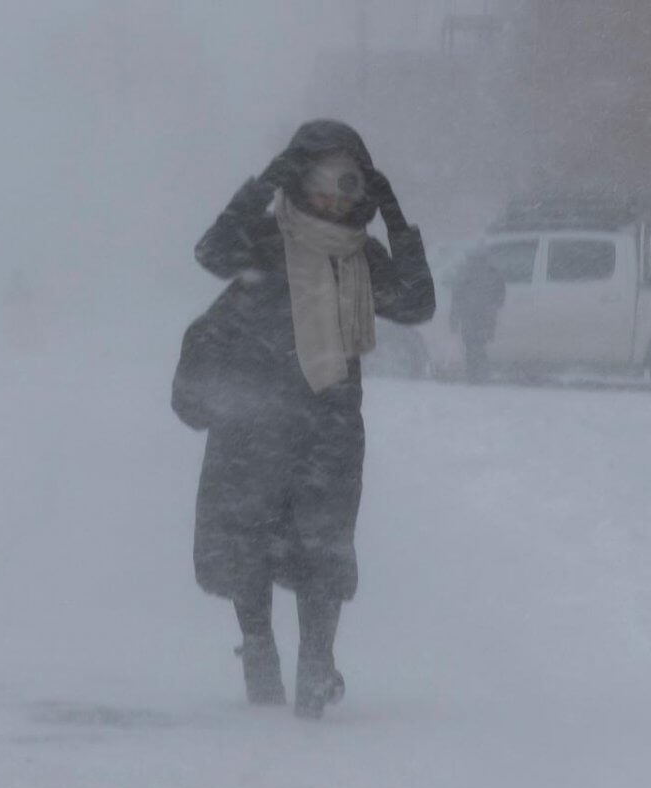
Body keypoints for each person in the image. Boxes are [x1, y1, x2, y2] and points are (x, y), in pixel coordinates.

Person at [172, 120, 435, 718]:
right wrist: (263, 184)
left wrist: (395, 218)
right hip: (253, 424)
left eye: (349, 184)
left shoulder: (362, 256)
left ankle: (317, 664)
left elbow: (417, 302)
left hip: (329, 426)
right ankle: (260, 650)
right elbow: (211, 252)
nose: (335, 197)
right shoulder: (265, 242)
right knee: (249, 545)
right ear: (296, 179)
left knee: (324, 546)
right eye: (321, 180)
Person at [449, 250, 506, 383]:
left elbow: (456, 299)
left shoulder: (463, 274)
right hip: (486, 317)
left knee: (471, 346)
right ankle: (481, 374)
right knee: (480, 345)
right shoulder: (493, 273)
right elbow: (500, 298)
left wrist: (453, 320)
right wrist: (492, 306)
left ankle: (473, 375)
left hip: (468, 317)